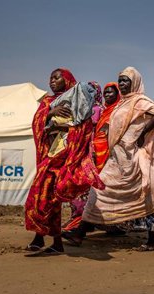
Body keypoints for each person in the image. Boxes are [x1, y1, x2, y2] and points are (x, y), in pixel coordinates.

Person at [67, 67, 154, 251]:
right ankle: (80, 232)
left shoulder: (139, 101)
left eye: (125, 81)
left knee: (134, 195)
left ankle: (80, 233)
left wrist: (142, 133)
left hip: (133, 159)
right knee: (99, 191)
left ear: (134, 83)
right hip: (117, 158)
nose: (121, 84)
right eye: (119, 80)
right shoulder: (123, 103)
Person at [24, 68, 103, 255]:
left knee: (50, 200)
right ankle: (43, 239)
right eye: (51, 78)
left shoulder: (77, 101)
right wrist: (51, 113)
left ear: (67, 80)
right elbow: (37, 123)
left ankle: (50, 241)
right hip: (48, 156)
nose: (52, 81)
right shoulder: (47, 102)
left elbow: (82, 128)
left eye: (56, 78)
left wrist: (61, 125)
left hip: (63, 158)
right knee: (40, 198)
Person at [61, 82, 121, 234]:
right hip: (81, 150)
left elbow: (101, 132)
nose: (90, 93)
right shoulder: (83, 107)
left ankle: (84, 222)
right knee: (77, 185)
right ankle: (80, 219)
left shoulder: (101, 110)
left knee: (91, 187)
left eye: (93, 91)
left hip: (94, 152)